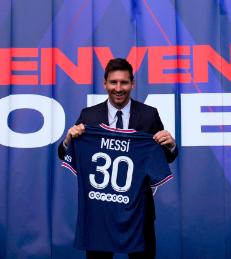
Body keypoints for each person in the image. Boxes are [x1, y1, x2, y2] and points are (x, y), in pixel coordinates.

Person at [58, 58, 178, 259]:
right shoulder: (89, 116)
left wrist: (171, 145)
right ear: (105, 83)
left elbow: (164, 157)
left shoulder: (149, 115)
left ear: (132, 84)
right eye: (113, 82)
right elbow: (65, 154)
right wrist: (68, 139)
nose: (118, 88)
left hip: (139, 210)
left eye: (124, 82)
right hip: (99, 211)